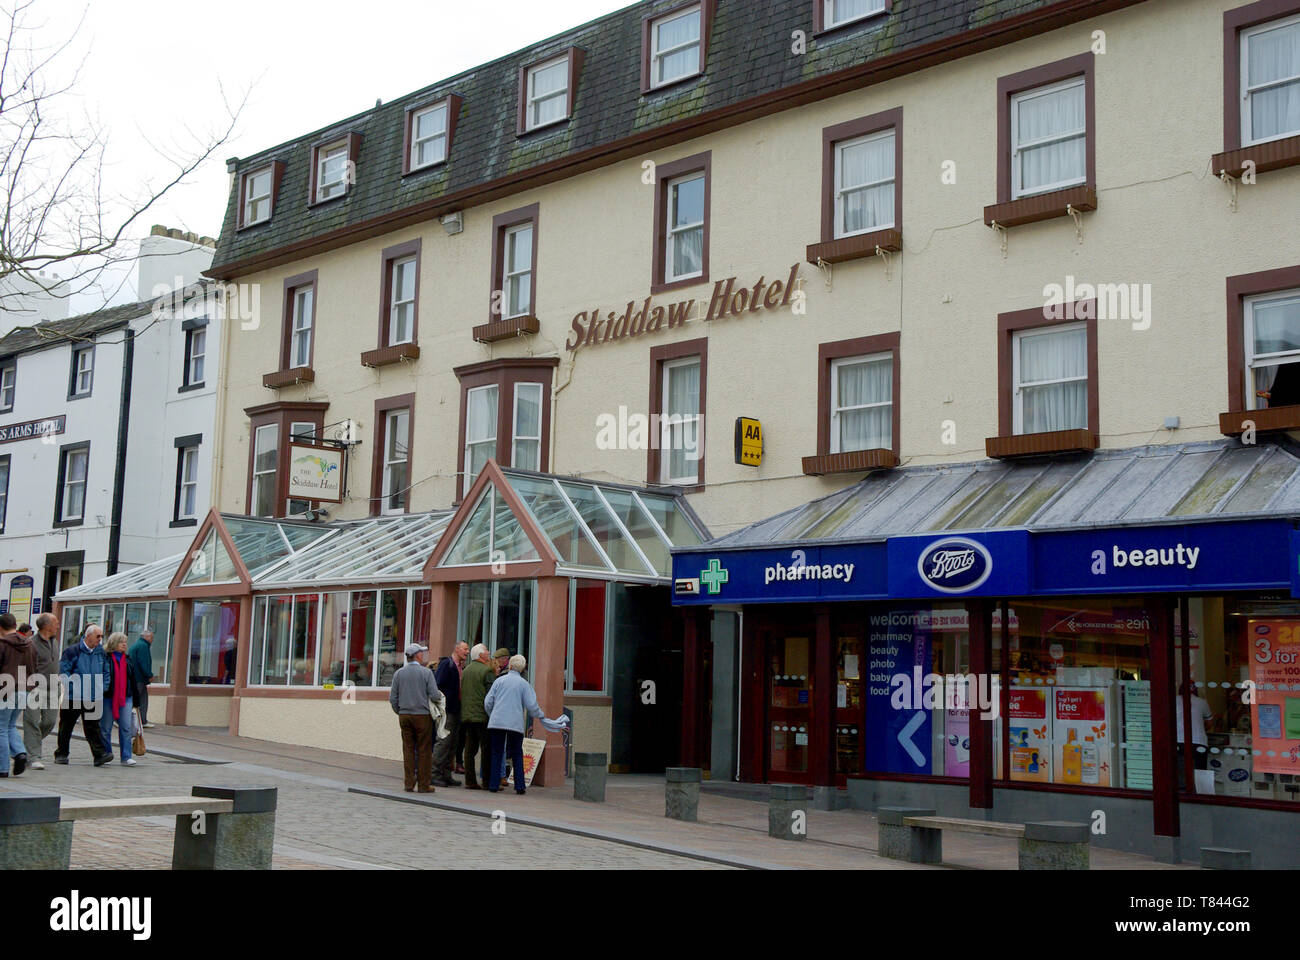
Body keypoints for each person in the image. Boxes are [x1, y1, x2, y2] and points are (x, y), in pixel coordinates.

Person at [483, 655, 554, 795]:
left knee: (496, 752)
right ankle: (520, 785)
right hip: (515, 723)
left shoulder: (499, 681)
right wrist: (541, 715)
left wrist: (493, 714)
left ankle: (493, 784)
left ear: (510, 666)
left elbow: (488, 701)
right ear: (522, 669)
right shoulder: (524, 684)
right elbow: (532, 705)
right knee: (516, 753)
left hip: (497, 721)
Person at [54, 624, 112, 766]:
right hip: (74, 696)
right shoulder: (73, 651)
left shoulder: (101, 652)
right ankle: (61, 753)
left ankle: (99, 755)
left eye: (101, 636)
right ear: (88, 636)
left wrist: (102, 687)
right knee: (66, 726)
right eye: (98, 636)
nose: (100, 639)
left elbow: (106, 672)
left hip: (92, 695)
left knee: (92, 726)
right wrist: (72, 686)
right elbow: (64, 671)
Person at [388, 643, 442, 793]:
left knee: (408, 749)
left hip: (405, 714)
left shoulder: (399, 673)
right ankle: (424, 785)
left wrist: (400, 711)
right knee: (424, 750)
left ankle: (409, 783)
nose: (423, 655)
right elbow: (434, 694)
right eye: (421, 653)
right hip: (422, 715)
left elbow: (393, 698)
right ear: (417, 655)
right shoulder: (426, 673)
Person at [0, 612, 38, 778]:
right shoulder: (30, 644)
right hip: (24, 689)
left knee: (1, 727)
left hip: (6, 689)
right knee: (10, 725)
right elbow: (34, 667)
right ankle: (20, 753)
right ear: (15, 625)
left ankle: (2, 767)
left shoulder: (2, 644)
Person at [23, 612, 61, 770]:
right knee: (31, 721)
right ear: (46, 626)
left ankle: (26, 748)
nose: (58, 625)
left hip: (53, 687)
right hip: (35, 688)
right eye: (56, 623)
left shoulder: (55, 641)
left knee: (49, 721)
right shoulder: (31, 643)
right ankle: (34, 756)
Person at [459, 644, 496, 790]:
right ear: (481, 655)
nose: (488, 653)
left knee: (469, 749)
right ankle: (486, 781)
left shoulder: (466, 670)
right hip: (482, 716)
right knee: (486, 749)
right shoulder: (487, 671)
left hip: (467, 715)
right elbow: (491, 695)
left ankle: (470, 780)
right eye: (487, 651)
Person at [431, 641, 468, 787]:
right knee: (443, 742)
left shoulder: (460, 667)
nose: (467, 652)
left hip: (456, 709)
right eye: (465, 649)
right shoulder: (447, 664)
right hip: (447, 710)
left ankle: (446, 774)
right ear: (457, 649)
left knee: (452, 743)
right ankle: (434, 774)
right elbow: (438, 684)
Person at [101, 633, 138, 766]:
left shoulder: (128, 660)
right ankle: (107, 754)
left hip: (125, 697)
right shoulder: (105, 658)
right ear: (113, 643)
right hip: (108, 697)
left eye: (125, 642)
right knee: (105, 728)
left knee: (126, 727)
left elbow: (133, 680)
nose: (124, 644)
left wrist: (136, 699)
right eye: (121, 642)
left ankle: (126, 756)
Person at [1176, 679, 1214, 789]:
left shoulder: (1174, 700)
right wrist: (1200, 727)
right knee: (1200, 774)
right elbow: (1210, 722)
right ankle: (1201, 796)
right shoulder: (1202, 702)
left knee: (1181, 774)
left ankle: (1183, 795)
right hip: (1199, 742)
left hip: (1179, 742)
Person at [127, 628, 157, 728]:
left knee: (142, 699)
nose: (152, 640)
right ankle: (126, 720)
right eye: (151, 637)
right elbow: (144, 663)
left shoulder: (137, 645)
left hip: (135, 677)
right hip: (139, 678)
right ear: (146, 637)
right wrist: (149, 675)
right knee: (136, 700)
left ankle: (142, 721)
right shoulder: (143, 646)